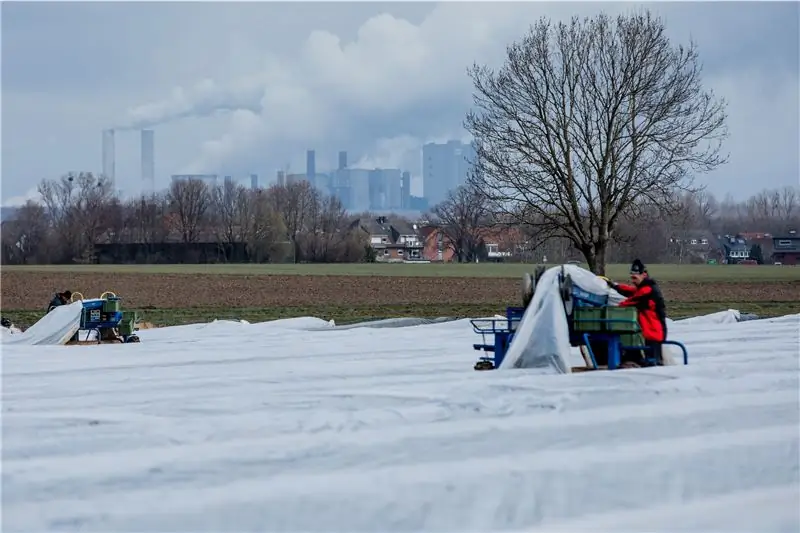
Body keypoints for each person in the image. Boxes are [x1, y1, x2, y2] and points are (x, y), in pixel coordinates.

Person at [606, 260, 667, 365]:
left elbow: (631, 301)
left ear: (644, 274)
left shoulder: (646, 290)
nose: (633, 281)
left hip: (654, 332)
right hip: (653, 331)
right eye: (632, 278)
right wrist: (615, 286)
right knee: (652, 360)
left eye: (635, 278)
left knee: (654, 363)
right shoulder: (646, 287)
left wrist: (612, 309)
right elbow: (630, 291)